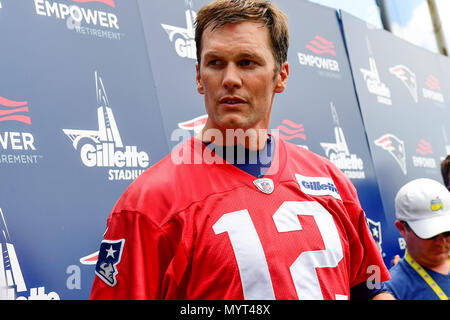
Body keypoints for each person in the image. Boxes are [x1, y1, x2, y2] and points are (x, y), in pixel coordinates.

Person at [89, 0, 392, 300]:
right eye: (215, 63)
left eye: (247, 62)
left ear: (281, 76)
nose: (230, 79)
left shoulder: (330, 179)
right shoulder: (150, 202)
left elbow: (370, 290)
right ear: (198, 77)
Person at [385, 178, 450, 300]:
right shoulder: (391, 291)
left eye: (447, 232)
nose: (441, 241)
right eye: (431, 234)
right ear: (402, 228)